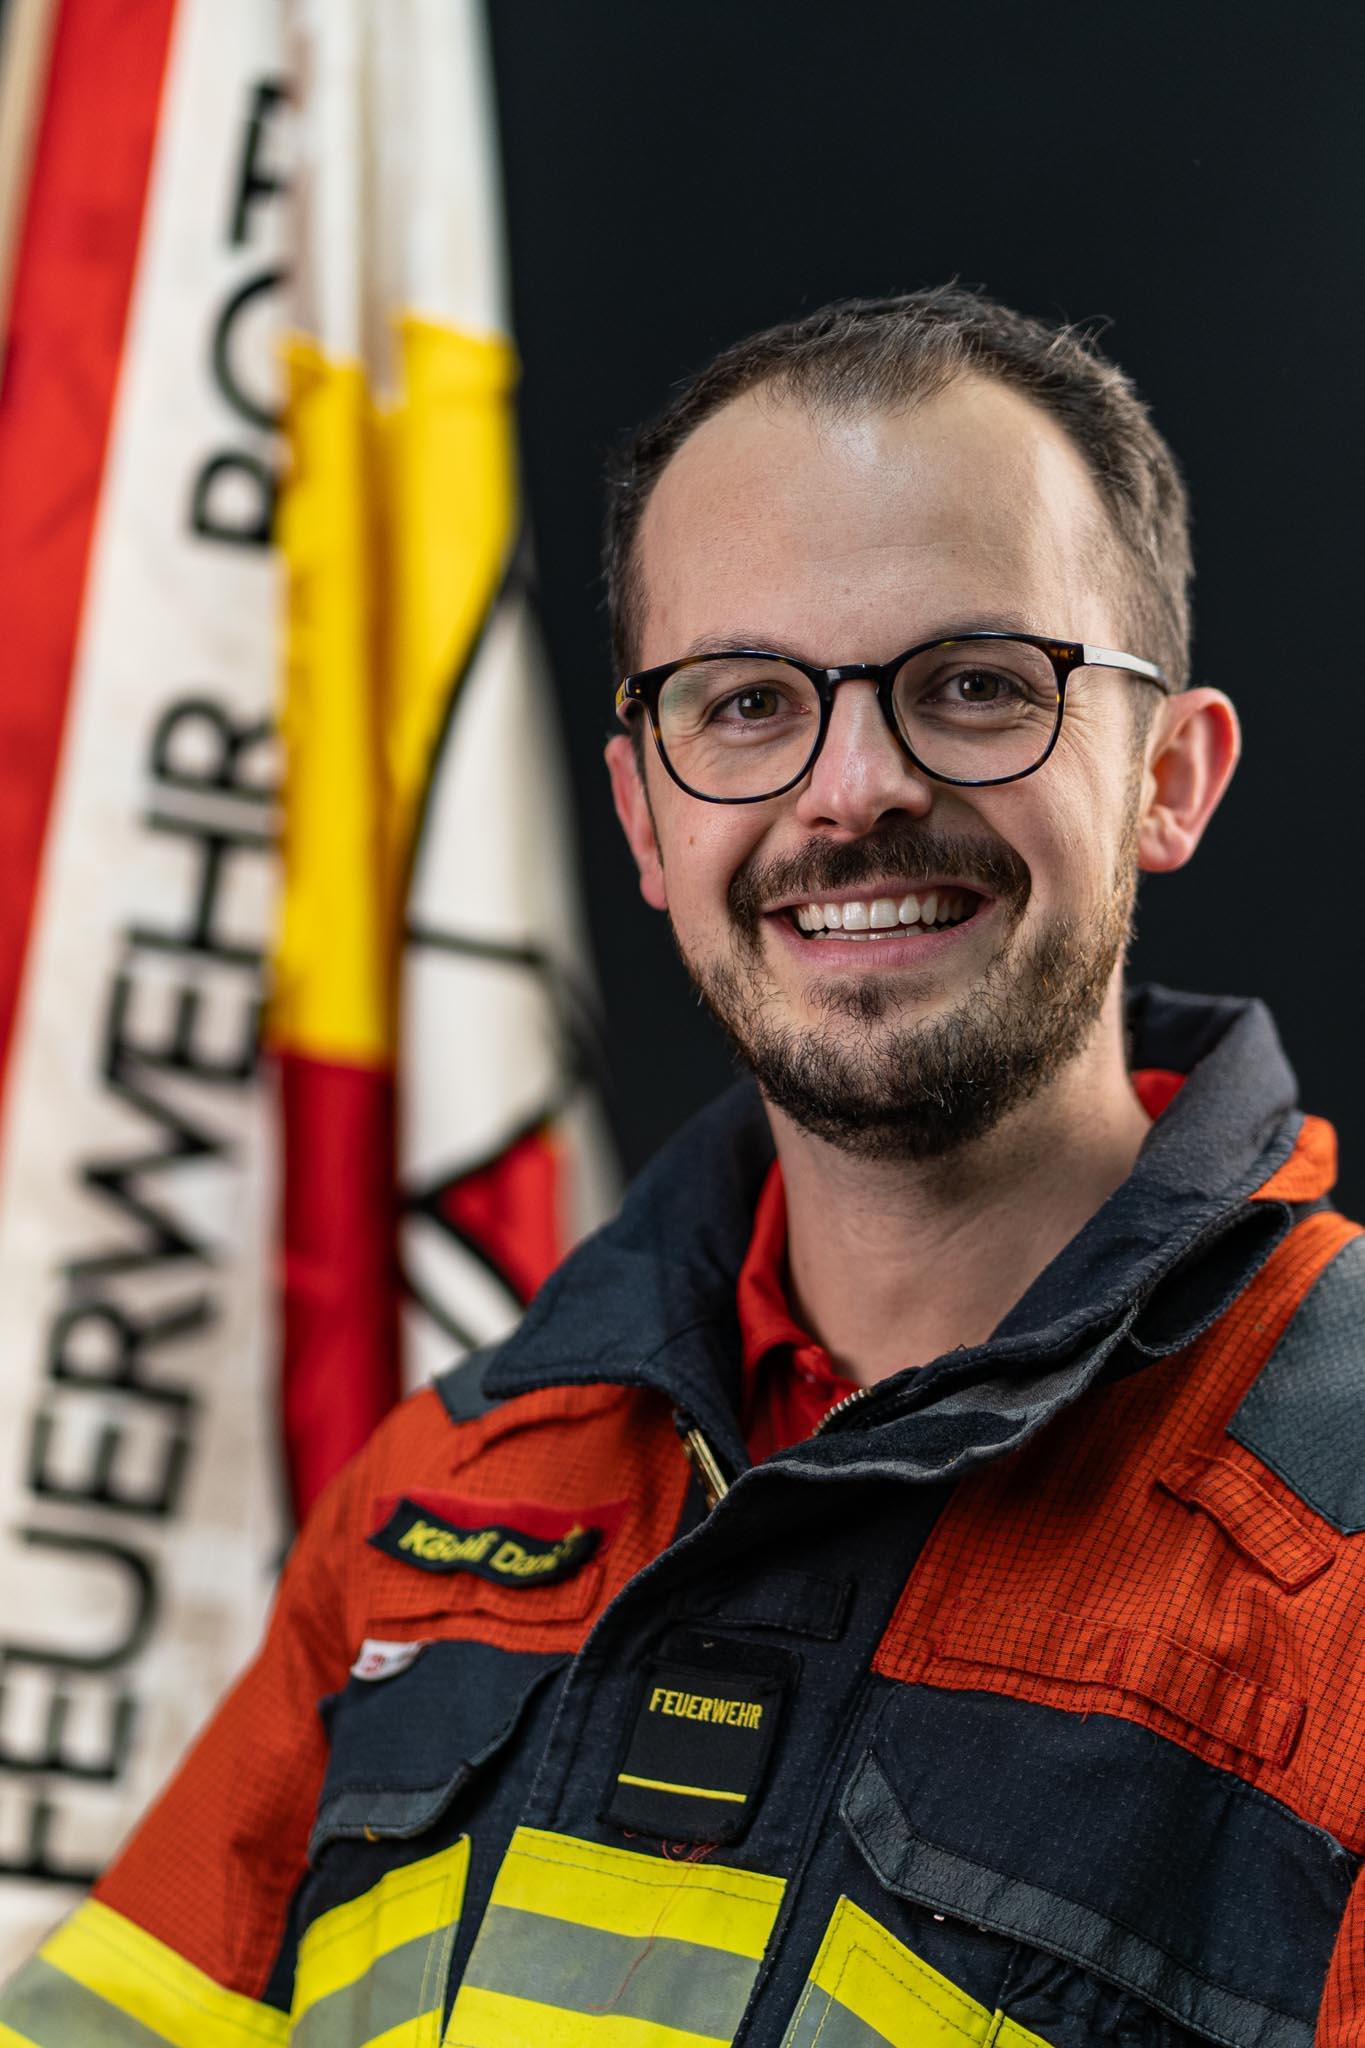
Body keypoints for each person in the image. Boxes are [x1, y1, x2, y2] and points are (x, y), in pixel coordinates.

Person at [3, 285, 1362, 2048]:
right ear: (644, 816)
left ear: (1169, 776)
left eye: (972, 686)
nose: (852, 790)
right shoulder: (441, 1491)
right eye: (744, 703)